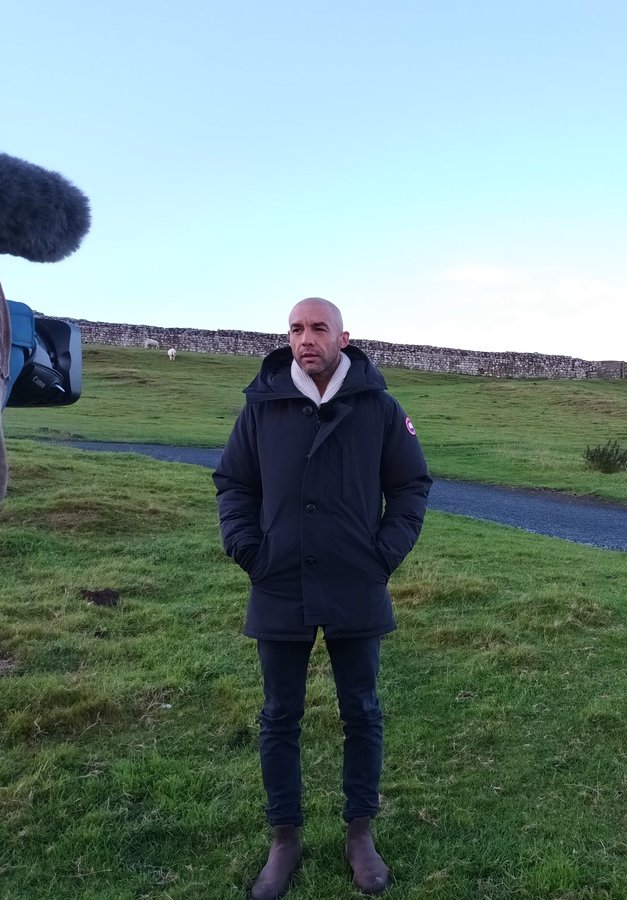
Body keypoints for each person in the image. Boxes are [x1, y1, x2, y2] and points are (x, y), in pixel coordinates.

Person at [213, 297, 431, 898]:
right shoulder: (261, 408)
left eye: (318, 328)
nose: (305, 338)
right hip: (277, 581)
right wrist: (248, 548)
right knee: (279, 715)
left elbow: (411, 484)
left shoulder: (379, 409)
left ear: (343, 337)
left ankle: (360, 833)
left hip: (355, 582)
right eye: (295, 329)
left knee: (361, 710)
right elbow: (233, 481)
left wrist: (383, 553)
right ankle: (284, 839)